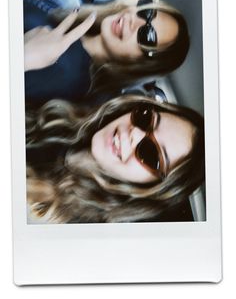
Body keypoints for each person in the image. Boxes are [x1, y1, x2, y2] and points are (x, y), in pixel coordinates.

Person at [26, 94, 205, 224]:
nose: (135, 132)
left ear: (152, 189)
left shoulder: (69, 228)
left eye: (151, 154)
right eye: (146, 118)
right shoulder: (61, 110)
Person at [24, 0, 190, 104]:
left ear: (142, 64)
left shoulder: (65, 74)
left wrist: (22, 57)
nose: (134, 20)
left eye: (148, 36)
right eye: (146, 12)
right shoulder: (73, 10)